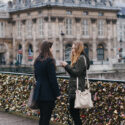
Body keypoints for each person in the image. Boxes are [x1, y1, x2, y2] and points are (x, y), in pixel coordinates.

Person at [61, 42, 90, 125]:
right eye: (72, 48)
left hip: (77, 90)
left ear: (78, 49)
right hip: (75, 89)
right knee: (74, 113)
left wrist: (66, 66)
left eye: (74, 48)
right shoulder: (79, 58)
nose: (72, 50)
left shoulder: (81, 58)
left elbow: (76, 73)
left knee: (74, 113)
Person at [34, 41, 60, 125]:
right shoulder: (50, 61)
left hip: (39, 92)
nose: (52, 49)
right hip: (48, 94)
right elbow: (53, 79)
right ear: (48, 49)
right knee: (46, 118)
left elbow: (36, 76)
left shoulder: (37, 60)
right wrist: (57, 94)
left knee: (42, 117)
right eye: (51, 47)